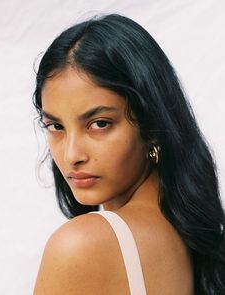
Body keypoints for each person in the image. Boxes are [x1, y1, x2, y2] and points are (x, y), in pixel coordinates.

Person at [32, 14, 225, 294]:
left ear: (153, 125)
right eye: (56, 126)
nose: (72, 154)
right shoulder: (191, 241)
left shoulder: (81, 245)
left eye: (99, 124)